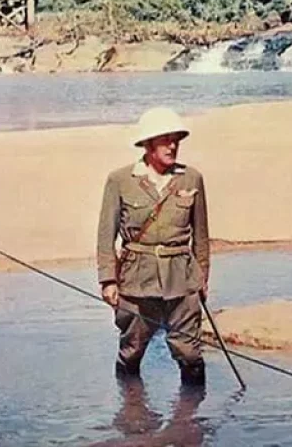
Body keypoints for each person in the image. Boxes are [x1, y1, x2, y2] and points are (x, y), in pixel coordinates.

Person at [96, 107, 210, 386]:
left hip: (182, 279)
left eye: (176, 139)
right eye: (165, 139)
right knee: (132, 350)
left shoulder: (191, 178)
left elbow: (202, 237)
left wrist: (202, 280)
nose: (172, 146)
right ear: (147, 144)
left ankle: (191, 421)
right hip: (136, 280)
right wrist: (108, 280)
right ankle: (131, 413)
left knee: (189, 352)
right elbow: (105, 235)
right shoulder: (120, 181)